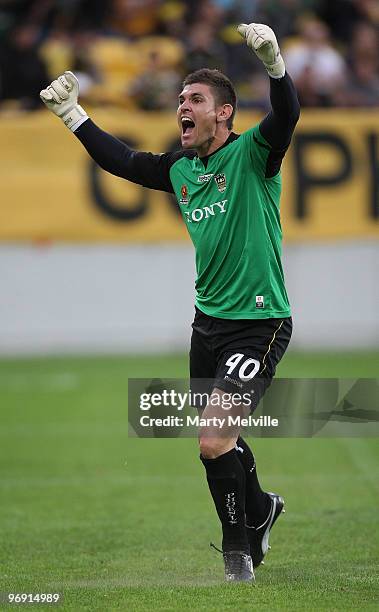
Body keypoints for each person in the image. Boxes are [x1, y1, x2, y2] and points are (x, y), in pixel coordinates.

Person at [40, 22, 300, 583]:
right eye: (181, 99)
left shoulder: (254, 155)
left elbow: (287, 117)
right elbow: (122, 162)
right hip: (207, 327)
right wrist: (73, 116)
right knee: (221, 438)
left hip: (260, 322)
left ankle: (239, 555)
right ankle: (261, 510)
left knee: (212, 440)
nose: (183, 106)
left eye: (196, 100)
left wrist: (274, 64)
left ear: (224, 113)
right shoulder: (182, 171)